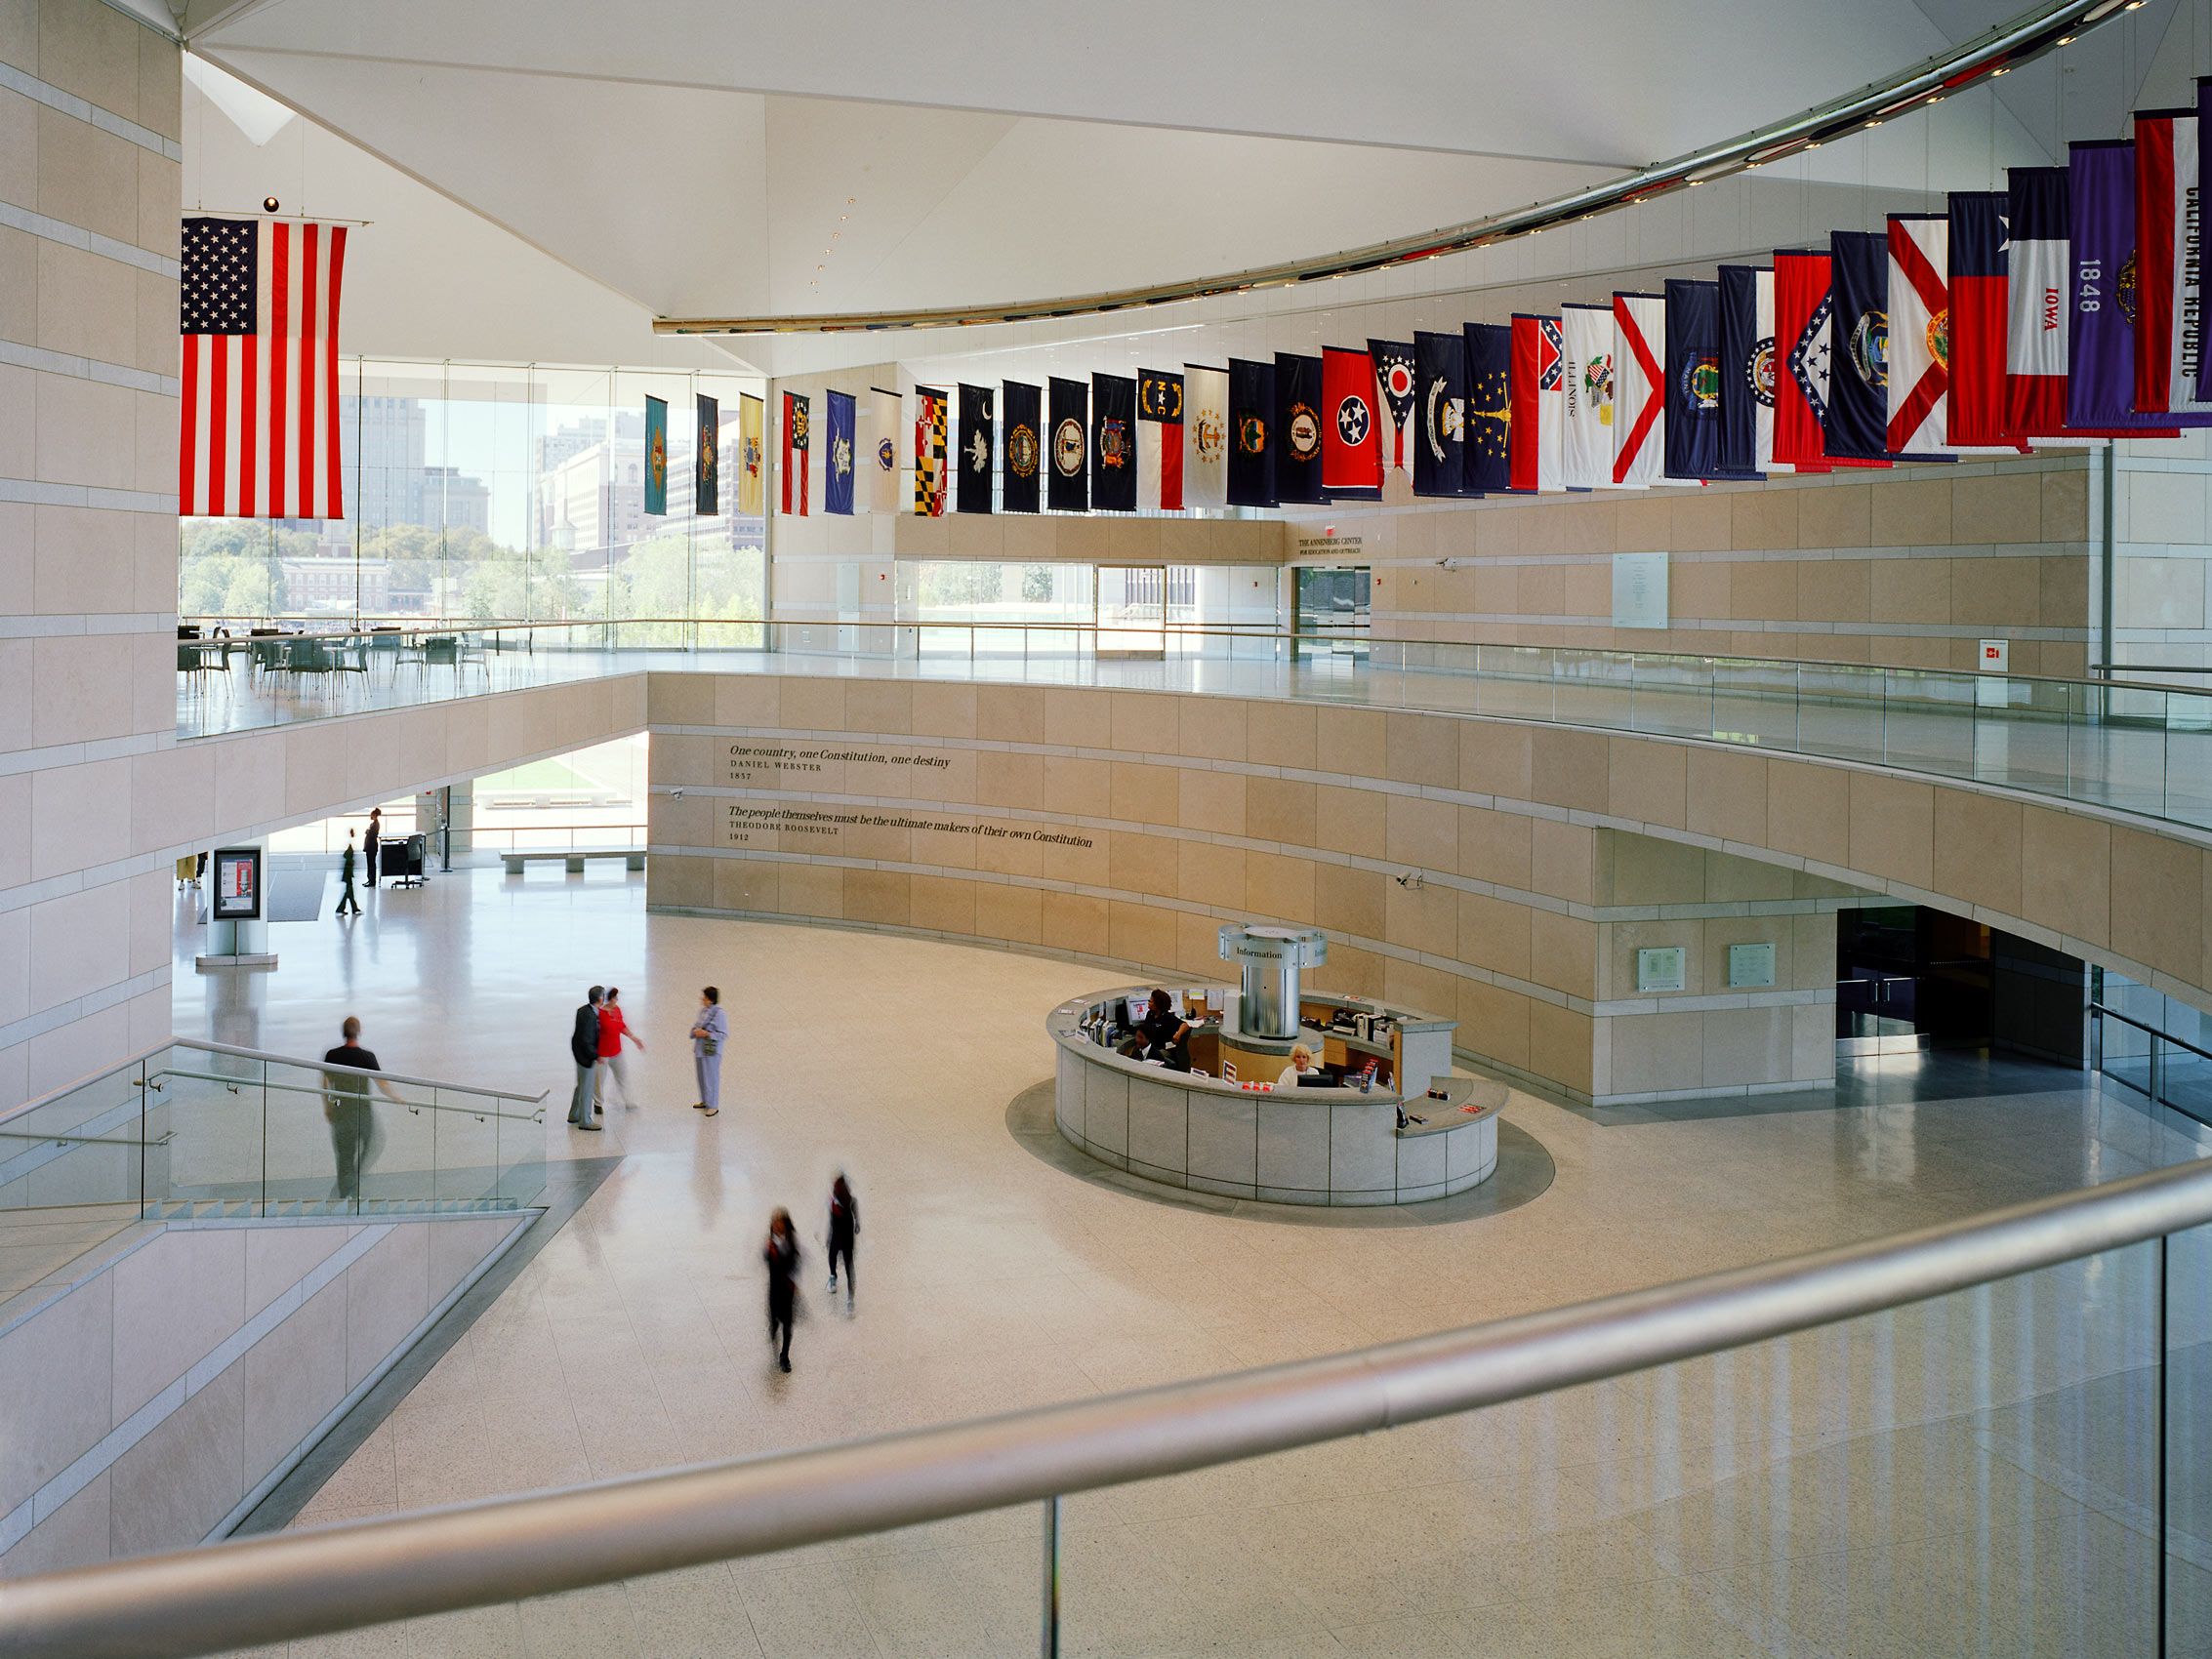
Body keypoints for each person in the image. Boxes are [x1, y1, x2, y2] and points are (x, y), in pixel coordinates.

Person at [322, 1016, 403, 1204]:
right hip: (362, 1112)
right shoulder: (367, 1057)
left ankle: (346, 1191)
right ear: (359, 1032)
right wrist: (396, 1097)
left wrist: (327, 1106)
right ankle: (354, 1180)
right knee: (373, 1142)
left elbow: (325, 1081)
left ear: (343, 1032)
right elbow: (381, 1082)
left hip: (341, 1112)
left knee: (344, 1154)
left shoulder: (332, 1055)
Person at [594, 987, 644, 1112]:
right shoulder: (600, 1013)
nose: (616, 1000)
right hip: (603, 1054)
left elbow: (621, 1026)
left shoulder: (617, 1010)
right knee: (600, 1080)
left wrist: (634, 1038)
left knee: (623, 1076)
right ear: (609, 999)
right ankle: (598, 1104)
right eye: (615, 998)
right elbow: (595, 1033)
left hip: (617, 1051)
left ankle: (629, 1101)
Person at [764, 1207, 800, 1372]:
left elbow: (796, 1260)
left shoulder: (791, 1241)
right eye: (774, 1223)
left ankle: (784, 1356)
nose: (777, 1226)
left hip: (787, 1290)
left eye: (779, 1223)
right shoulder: (770, 1244)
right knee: (774, 1322)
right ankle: (773, 1329)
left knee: (787, 1325)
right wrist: (770, 1253)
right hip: (774, 1290)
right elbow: (767, 1261)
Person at [1118, 989, 1191, 1070]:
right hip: (1151, 1046)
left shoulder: (1168, 1017)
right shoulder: (1150, 1014)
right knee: (1135, 1053)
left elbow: (1185, 1025)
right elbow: (1145, 1029)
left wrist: (1178, 1034)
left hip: (1163, 1049)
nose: (1148, 1003)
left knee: (1147, 1057)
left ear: (1157, 1004)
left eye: (1150, 1001)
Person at [568, 986, 603, 1129]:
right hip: (586, 1057)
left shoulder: (582, 1010)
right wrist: (596, 1056)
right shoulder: (590, 1017)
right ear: (600, 999)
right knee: (587, 1088)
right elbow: (587, 1041)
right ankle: (585, 1121)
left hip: (578, 1054)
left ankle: (574, 1114)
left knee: (581, 1085)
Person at [690, 986, 727, 1117]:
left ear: (711, 1000)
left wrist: (707, 1033)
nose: (702, 999)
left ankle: (713, 1105)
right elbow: (697, 1025)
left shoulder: (720, 1014)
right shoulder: (703, 1011)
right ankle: (705, 1100)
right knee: (701, 1076)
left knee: (711, 1077)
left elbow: (723, 1034)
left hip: (711, 1051)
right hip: (700, 1049)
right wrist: (695, 1031)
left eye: (704, 997)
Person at [826, 1173, 859, 1313]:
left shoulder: (851, 1201)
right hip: (835, 1237)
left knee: (849, 1266)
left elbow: (856, 1215)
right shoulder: (832, 1203)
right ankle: (833, 1275)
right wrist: (829, 1236)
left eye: (838, 1187)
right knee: (832, 1255)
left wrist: (858, 1223)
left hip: (847, 1239)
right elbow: (831, 1222)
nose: (835, 1189)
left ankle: (851, 1299)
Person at [334, 830, 362, 918]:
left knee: (350, 891)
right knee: (349, 891)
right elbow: (346, 855)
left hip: (348, 870)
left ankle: (353, 908)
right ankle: (343, 908)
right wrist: (351, 861)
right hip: (348, 871)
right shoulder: (351, 842)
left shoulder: (350, 842)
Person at [362, 807, 382, 892]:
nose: (370, 816)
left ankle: (372, 880)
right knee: (370, 863)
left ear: (374, 815)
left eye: (371, 814)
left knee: (371, 864)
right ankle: (370, 879)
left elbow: (372, 835)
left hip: (372, 847)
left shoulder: (375, 824)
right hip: (370, 846)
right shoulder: (373, 824)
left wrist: (367, 831)